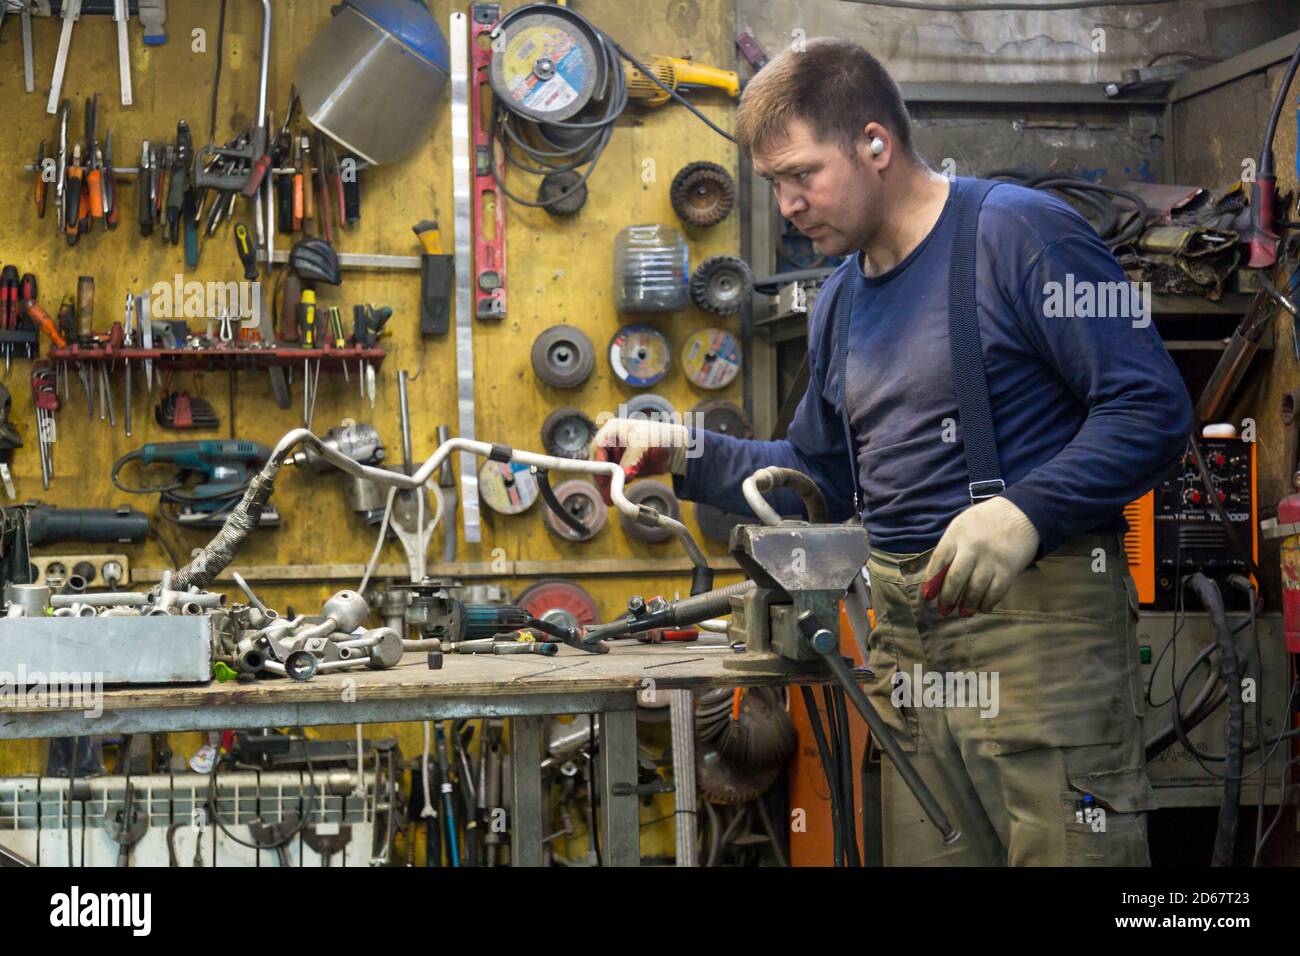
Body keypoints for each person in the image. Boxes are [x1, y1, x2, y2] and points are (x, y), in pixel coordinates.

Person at [591, 38, 1193, 866]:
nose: (790, 203)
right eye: (774, 184)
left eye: (803, 173)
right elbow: (822, 476)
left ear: (875, 144)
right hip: (904, 641)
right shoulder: (839, 299)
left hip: (1035, 631)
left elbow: (1152, 406)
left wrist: (1027, 510)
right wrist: (685, 454)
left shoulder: (1017, 235)